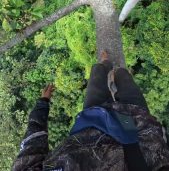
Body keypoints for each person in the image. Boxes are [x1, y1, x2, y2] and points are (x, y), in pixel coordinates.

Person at [12, 51, 169, 171]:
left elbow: (32, 142)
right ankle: (116, 70)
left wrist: (43, 103)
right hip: (137, 129)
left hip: (93, 121)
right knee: (124, 77)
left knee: (98, 76)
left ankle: (106, 63)